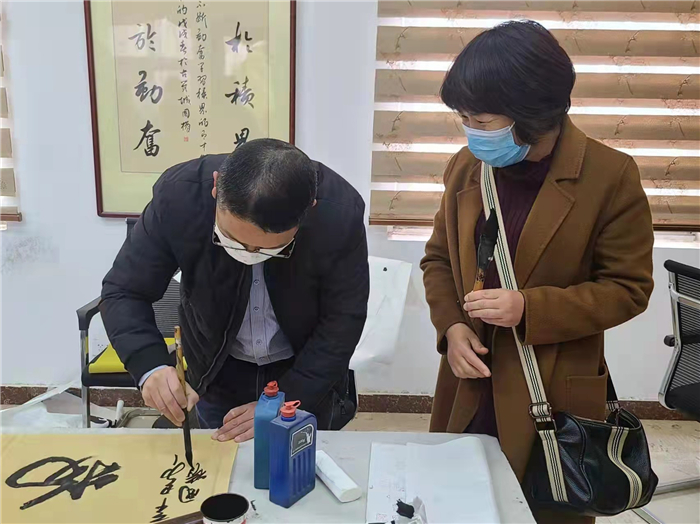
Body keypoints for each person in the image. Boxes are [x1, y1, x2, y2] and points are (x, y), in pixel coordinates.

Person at [420, 21, 654, 524]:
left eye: (481, 120)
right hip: (471, 379)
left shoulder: (610, 176)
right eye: (463, 118)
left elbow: (628, 289)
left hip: (551, 387)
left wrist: (530, 308)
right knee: (458, 501)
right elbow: (437, 258)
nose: (470, 131)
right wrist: (452, 328)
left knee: (547, 510)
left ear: (532, 114)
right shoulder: (467, 167)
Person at [101, 139, 369, 442]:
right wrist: (149, 364)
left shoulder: (339, 214)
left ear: (309, 210)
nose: (249, 254)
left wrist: (292, 394)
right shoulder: (179, 198)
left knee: (297, 460)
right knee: (221, 459)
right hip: (217, 369)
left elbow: (343, 319)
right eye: (230, 240)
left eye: (271, 249)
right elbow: (124, 290)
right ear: (216, 187)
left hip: (304, 366)